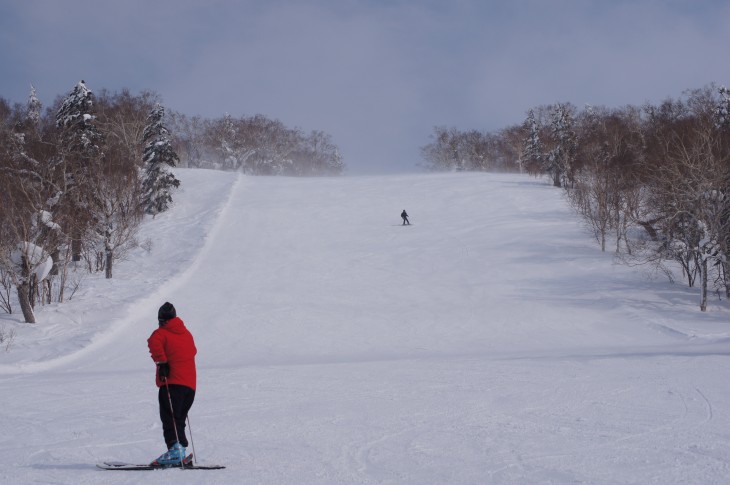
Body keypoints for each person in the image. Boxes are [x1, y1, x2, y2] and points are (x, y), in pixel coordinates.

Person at [147, 302, 197, 466]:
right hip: (190, 387)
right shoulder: (186, 333)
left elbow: (153, 341)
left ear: (162, 320)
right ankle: (180, 449)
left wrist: (162, 362)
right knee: (179, 419)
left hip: (172, 383)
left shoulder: (161, 333)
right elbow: (192, 350)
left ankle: (175, 452)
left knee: (169, 418)